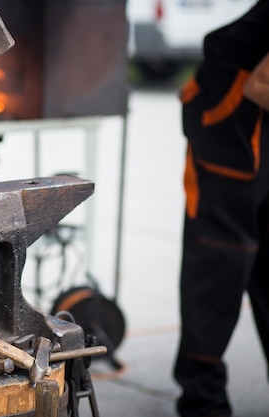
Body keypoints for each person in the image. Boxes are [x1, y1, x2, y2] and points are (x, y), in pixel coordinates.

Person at [174, 1, 269, 416]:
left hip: (261, 123)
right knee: (218, 265)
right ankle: (203, 402)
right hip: (228, 115)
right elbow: (261, 84)